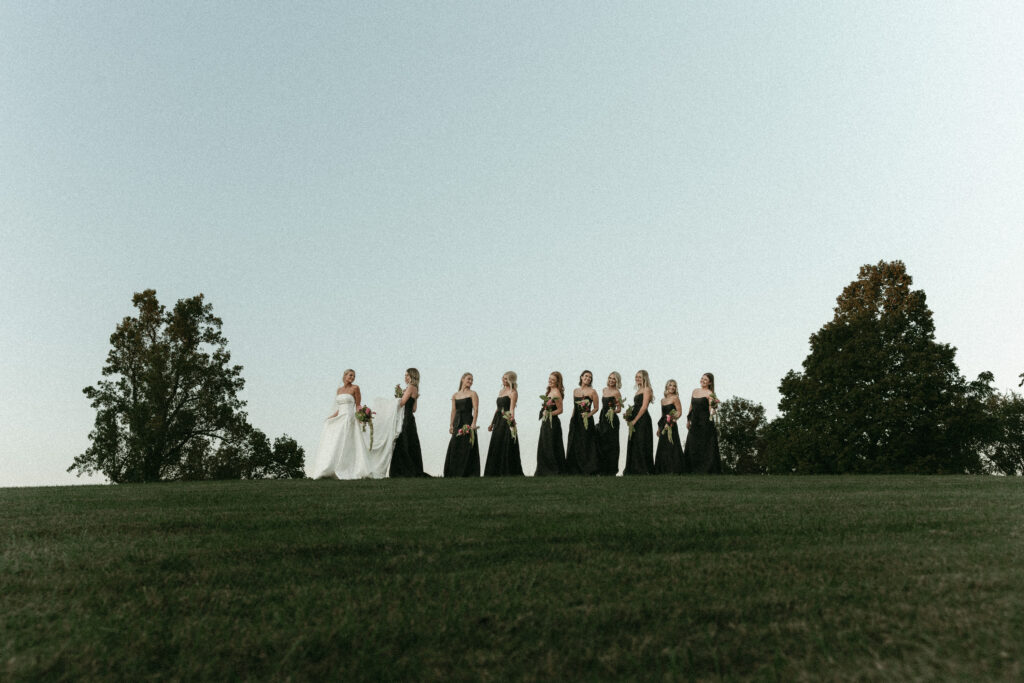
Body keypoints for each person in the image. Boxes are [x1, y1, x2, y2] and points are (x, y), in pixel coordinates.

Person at [309, 369, 375, 479]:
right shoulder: (339, 390)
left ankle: (348, 468)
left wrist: (361, 416)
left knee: (348, 443)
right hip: (340, 418)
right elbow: (339, 408)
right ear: (345, 376)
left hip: (349, 418)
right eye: (350, 375)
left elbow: (358, 405)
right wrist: (331, 417)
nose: (352, 377)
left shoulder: (355, 388)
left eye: (354, 376)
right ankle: (331, 467)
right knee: (336, 442)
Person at [484, 371, 524, 476]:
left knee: (505, 443)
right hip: (498, 420)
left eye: (506, 379)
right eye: (503, 378)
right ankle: (494, 471)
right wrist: (492, 423)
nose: (503, 380)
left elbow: (512, 409)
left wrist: (511, 422)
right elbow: (497, 409)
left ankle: (506, 470)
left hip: (506, 420)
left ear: (511, 380)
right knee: (496, 442)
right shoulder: (501, 391)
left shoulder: (513, 392)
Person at [390, 368, 426, 477]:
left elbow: (401, 403)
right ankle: (412, 468)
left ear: (412, 376)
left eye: (407, 375)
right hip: (411, 418)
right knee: (411, 442)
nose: (405, 377)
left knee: (403, 441)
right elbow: (414, 409)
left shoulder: (410, 387)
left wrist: (398, 398)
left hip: (405, 418)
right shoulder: (415, 388)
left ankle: (402, 471)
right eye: (405, 375)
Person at [683, 372, 722, 473]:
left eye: (705, 380)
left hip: (705, 422)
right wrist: (688, 420)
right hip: (694, 421)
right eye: (702, 378)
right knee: (692, 444)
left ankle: (705, 470)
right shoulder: (695, 391)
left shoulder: (710, 393)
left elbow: (711, 409)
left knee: (704, 445)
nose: (703, 381)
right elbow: (691, 407)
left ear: (710, 383)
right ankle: (691, 469)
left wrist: (714, 408)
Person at [443, 372, 480, 477]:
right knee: (455, 445)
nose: (470, 381)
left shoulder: (473, 393)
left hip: (468, 421)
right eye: (468, 379)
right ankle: (453, 472)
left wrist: (473, 423)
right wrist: (451, 425)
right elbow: (453, 411)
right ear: (462, 379)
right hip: (457, 422)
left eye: (472, 380)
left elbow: (476, 409)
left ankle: (467, 473)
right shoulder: (455, 395)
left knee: (467, 446)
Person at [565, 370, 600, 475]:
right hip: (576, 420)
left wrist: (588, 415)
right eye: (586, 376)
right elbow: (575, 407)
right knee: (574, 442)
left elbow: (596, 408)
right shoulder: (575, 391)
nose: (588, 378)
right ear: (581, 377)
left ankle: (588, 468)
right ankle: (574, 469)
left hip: (586, 421)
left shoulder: (592, 392)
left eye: (590, 377)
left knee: (586, 443)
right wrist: (572, 419)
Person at [623, 370, 655, 474]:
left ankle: (643, 469)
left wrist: (635, 420)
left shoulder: (647, 389)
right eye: (636, 377)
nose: (637, 379)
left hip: (643, 419)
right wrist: (628, 415)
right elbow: (636, 406)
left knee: (642, 442)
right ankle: (633, 469)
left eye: (640, 377)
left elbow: (644, 407)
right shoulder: (638, 390)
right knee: (634, 442)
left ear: (645, 378)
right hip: (635, 418)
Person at [534, 371, 566, 475]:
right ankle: (544, 470)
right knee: (545, 445)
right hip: (546, 422)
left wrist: (549, 413)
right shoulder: (549, 391)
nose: (550, 381)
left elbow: (560, 410)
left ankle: (553, 470)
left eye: (553, 380)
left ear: (557, 382)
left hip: (553, 423)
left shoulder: (556, 393)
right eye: (549, 379)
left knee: (551, 446)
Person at [654, 379, 685, 474]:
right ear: (667, 386)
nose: (672, 387)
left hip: (671, 424)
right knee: (663, 446)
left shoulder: (675, 398)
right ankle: (663, 470)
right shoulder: (662, 400)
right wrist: (659, 428)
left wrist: (672, 420)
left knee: (672, 445)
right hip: (663, 425)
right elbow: (662, 415)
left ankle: (674, 469)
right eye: (670, 385)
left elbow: (679, 412)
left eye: (674, 386)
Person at [596, 371, 623, 475]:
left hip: (612, 421)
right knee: (601, 443)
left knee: (611, 445)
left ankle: (611, 470)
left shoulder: (617, 393)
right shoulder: (604, 390)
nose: (611, 380)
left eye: (614, 379)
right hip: (603, 419)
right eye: (610, 378)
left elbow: (619, 409)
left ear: (617, 381)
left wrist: (612, 411)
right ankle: (601, 469)